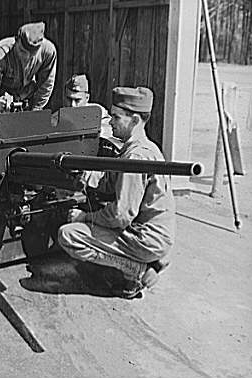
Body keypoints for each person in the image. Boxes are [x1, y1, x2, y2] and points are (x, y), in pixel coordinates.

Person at [57, 86, 175, 299]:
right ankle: (150, 261)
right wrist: (81, 175)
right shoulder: (142, 148)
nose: (110, 121)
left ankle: (138, 271)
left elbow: (120, 215)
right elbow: (111, 182)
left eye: (116, 117)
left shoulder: (136, 158)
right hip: (152, 233)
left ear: (135, 120)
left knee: (69, 235)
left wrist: (84, 217)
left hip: (145, 238)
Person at [0, 21, 57, 112]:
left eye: (31, 56)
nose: (25, 58)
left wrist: (35, 110)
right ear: (16, 41)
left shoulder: (48, 51)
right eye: (22, 51)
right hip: (0, 106)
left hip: (27, 100)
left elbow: (46, 85)